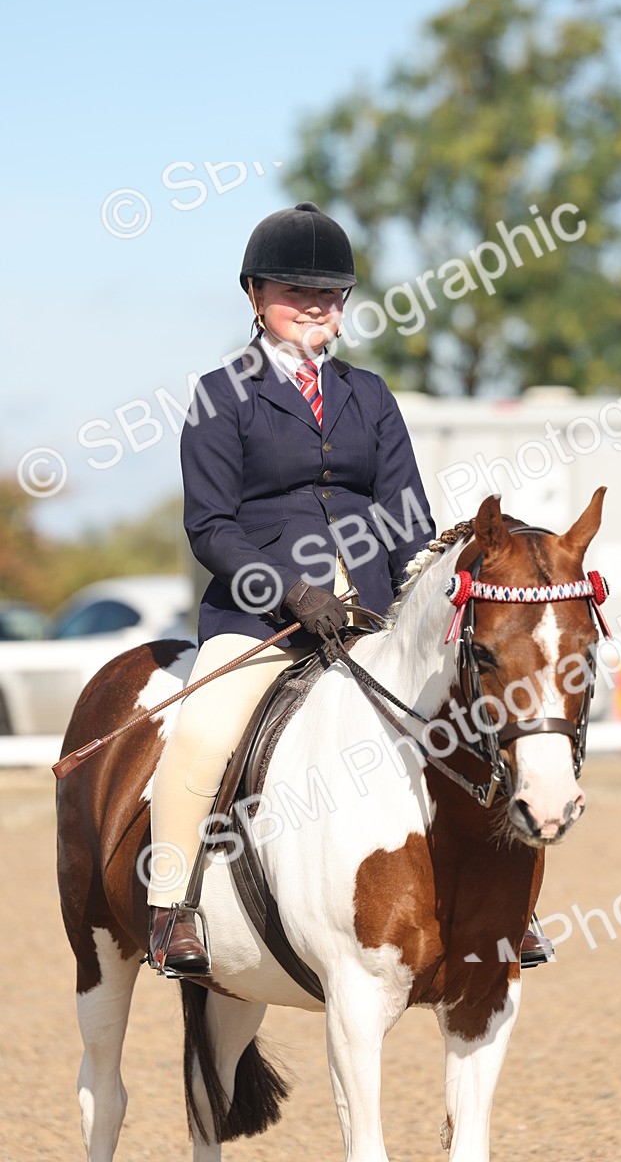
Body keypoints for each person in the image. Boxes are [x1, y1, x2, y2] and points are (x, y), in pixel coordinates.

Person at [147, 202, 435, 973]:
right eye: (293, 290)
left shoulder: (369, 395)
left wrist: (432, 587)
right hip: (260, 617)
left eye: (329, 293)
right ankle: (171, 906)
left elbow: (408, 515)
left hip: (370, 614)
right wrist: (287, 590)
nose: (313, 304)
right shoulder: (219, 394)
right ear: (254, 295)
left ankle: (497, 899)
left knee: (461, 718)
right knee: (205, 727)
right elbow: (210, 526)